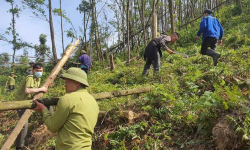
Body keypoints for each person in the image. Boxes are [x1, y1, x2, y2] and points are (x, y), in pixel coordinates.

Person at [33, 67, 99, 150]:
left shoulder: (67, 99)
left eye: (67, 82)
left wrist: (43, 109)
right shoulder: (92, 100)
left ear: (77, 83)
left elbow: (52, 127)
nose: (65, 85)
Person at [15, 63, 48, 150]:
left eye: (41, 71)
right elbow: (27, 90)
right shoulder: (30, 77)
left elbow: (34, 90)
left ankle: (22, 143)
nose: (39, 72)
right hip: (21, 103)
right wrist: (41, 89)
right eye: (37, 71)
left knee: (24, 124)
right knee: (23, 124)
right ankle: (19, 146)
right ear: (33, 70)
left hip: (28, 102)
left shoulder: (38, 78)